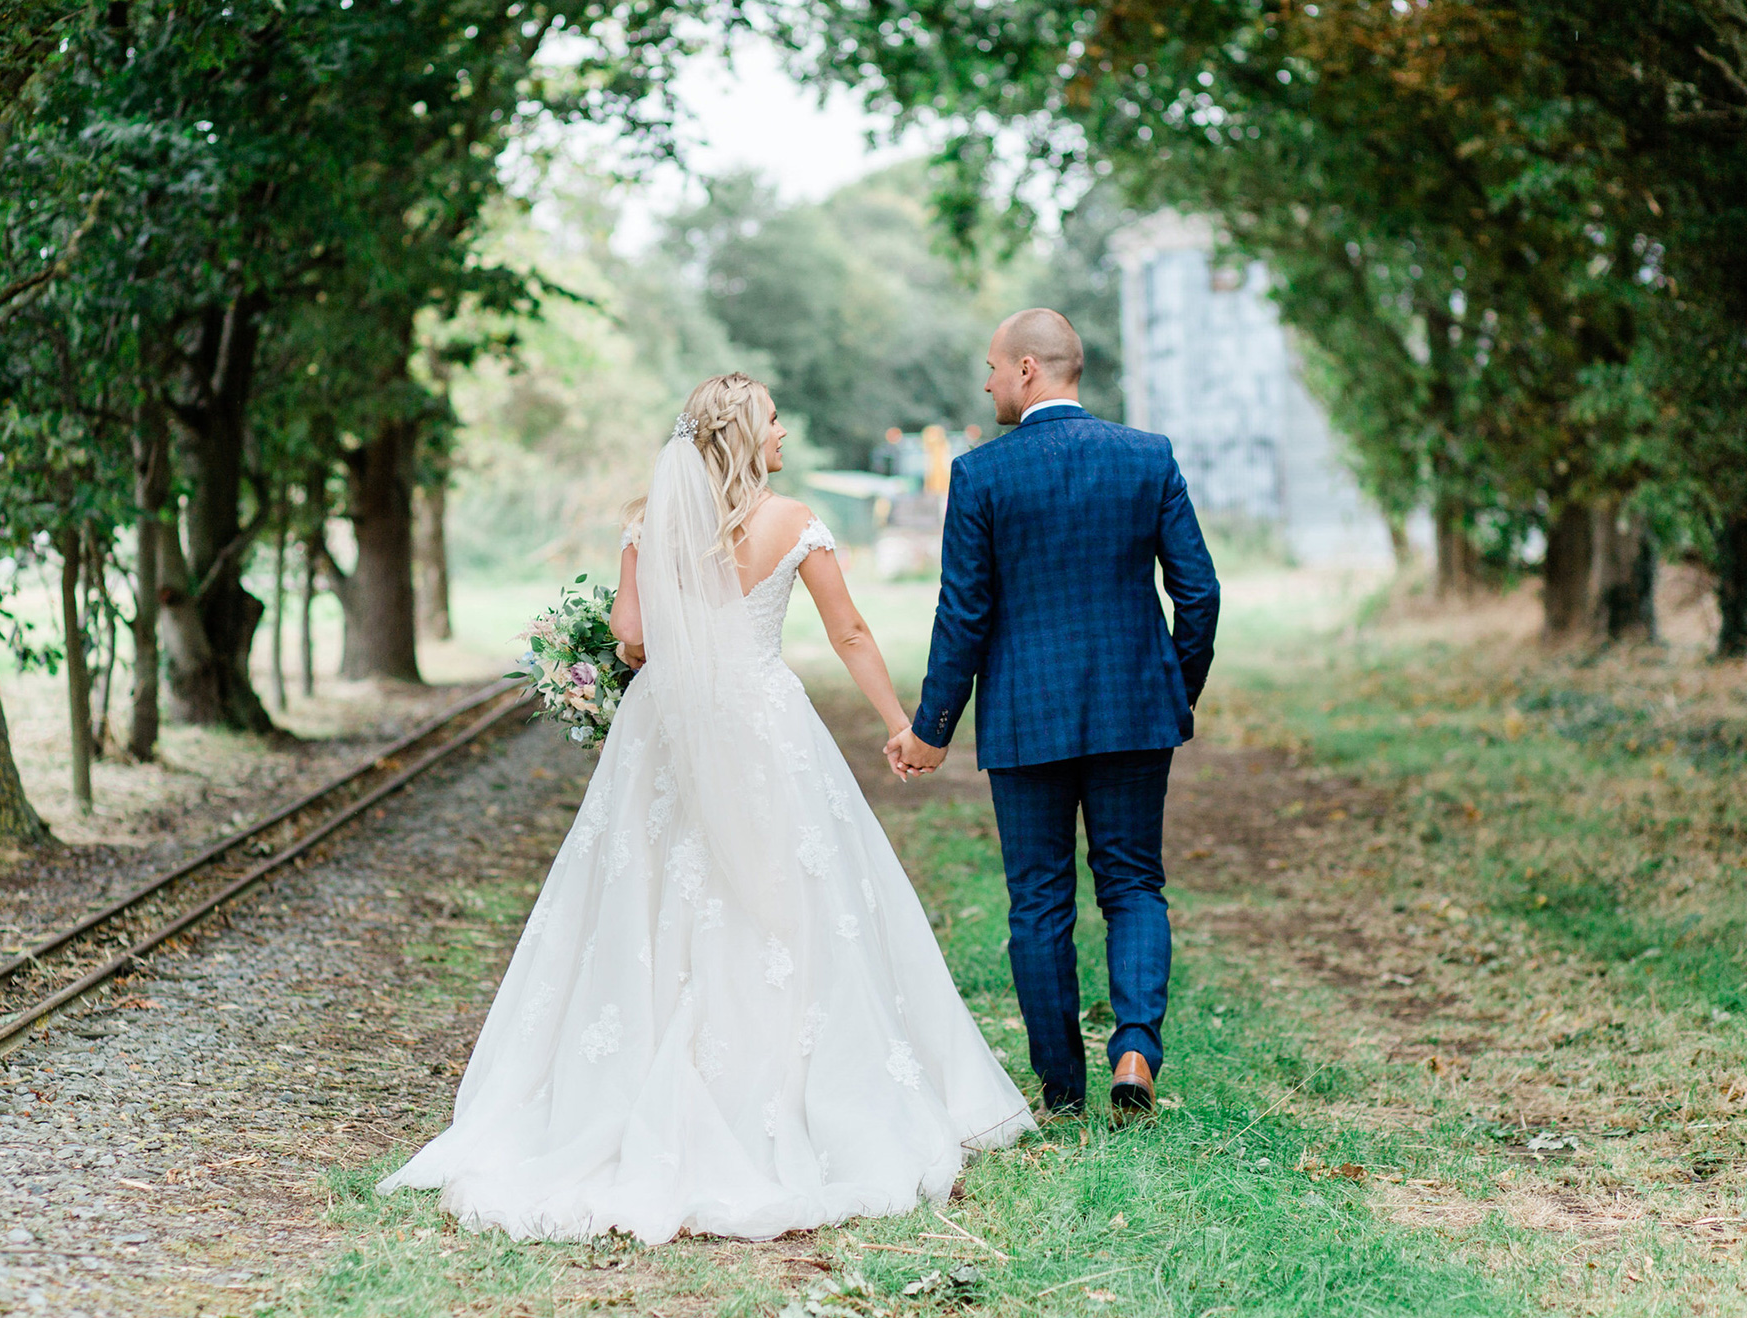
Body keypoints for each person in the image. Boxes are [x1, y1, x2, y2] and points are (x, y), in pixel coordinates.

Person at [380, 373, 1033, 1244]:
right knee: (782, 903)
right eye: (774, 418)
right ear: (745, 434)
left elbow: (631, 634)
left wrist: (650, 634)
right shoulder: (795, 521)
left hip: (667, 728)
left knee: (653, 893)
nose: (784, 431)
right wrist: (902, 726)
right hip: (765, 724)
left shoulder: (650, 520)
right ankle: (780, 1091)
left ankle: (637, 1081)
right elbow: (850, 634)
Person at [887, 309, 1221, 1118]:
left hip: (1026, 717)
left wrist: (932, 728)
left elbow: (963, 614)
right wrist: (1169, 688)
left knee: (1038, 898)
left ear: (1030, 368)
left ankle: (1064, 1090)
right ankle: (1136, 1048)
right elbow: (1200, 593)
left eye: (995, 368)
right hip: (1134, 710)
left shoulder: (982, 475)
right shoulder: (1148, 457)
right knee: (1134, 884)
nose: (989, 383)